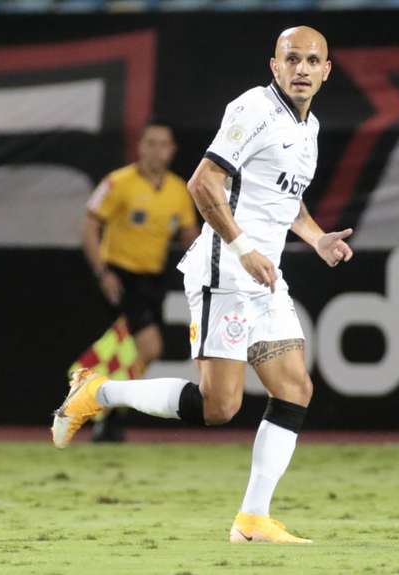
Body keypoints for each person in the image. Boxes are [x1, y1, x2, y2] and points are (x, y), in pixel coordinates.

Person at [53, 26, 353, 544]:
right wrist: (243, 249)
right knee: (220, 408)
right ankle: (97, 391)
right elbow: (202, 182)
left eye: (312, 60)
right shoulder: (254, 110)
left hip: (264, 275)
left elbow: (287, 198)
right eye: (292, 59)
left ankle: (253, 520)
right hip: (226, 270)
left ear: (327, 70)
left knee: (295, 388)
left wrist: (316, 236)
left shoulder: (310, 127)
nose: (302, 69)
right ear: (274, 65)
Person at [81, 120, 199, 441]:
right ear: (140, 147)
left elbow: (191, 235)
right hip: (120, 275)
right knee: (149, 346)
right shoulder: (118, 183)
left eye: (163, 144)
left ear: (172, 151)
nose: (156, 150)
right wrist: (102, 272)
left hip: (153, 279)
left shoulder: (178, 190)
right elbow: (90, 227)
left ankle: (104, 411)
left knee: (137, 352)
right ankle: (105, 408)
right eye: (150, 143)